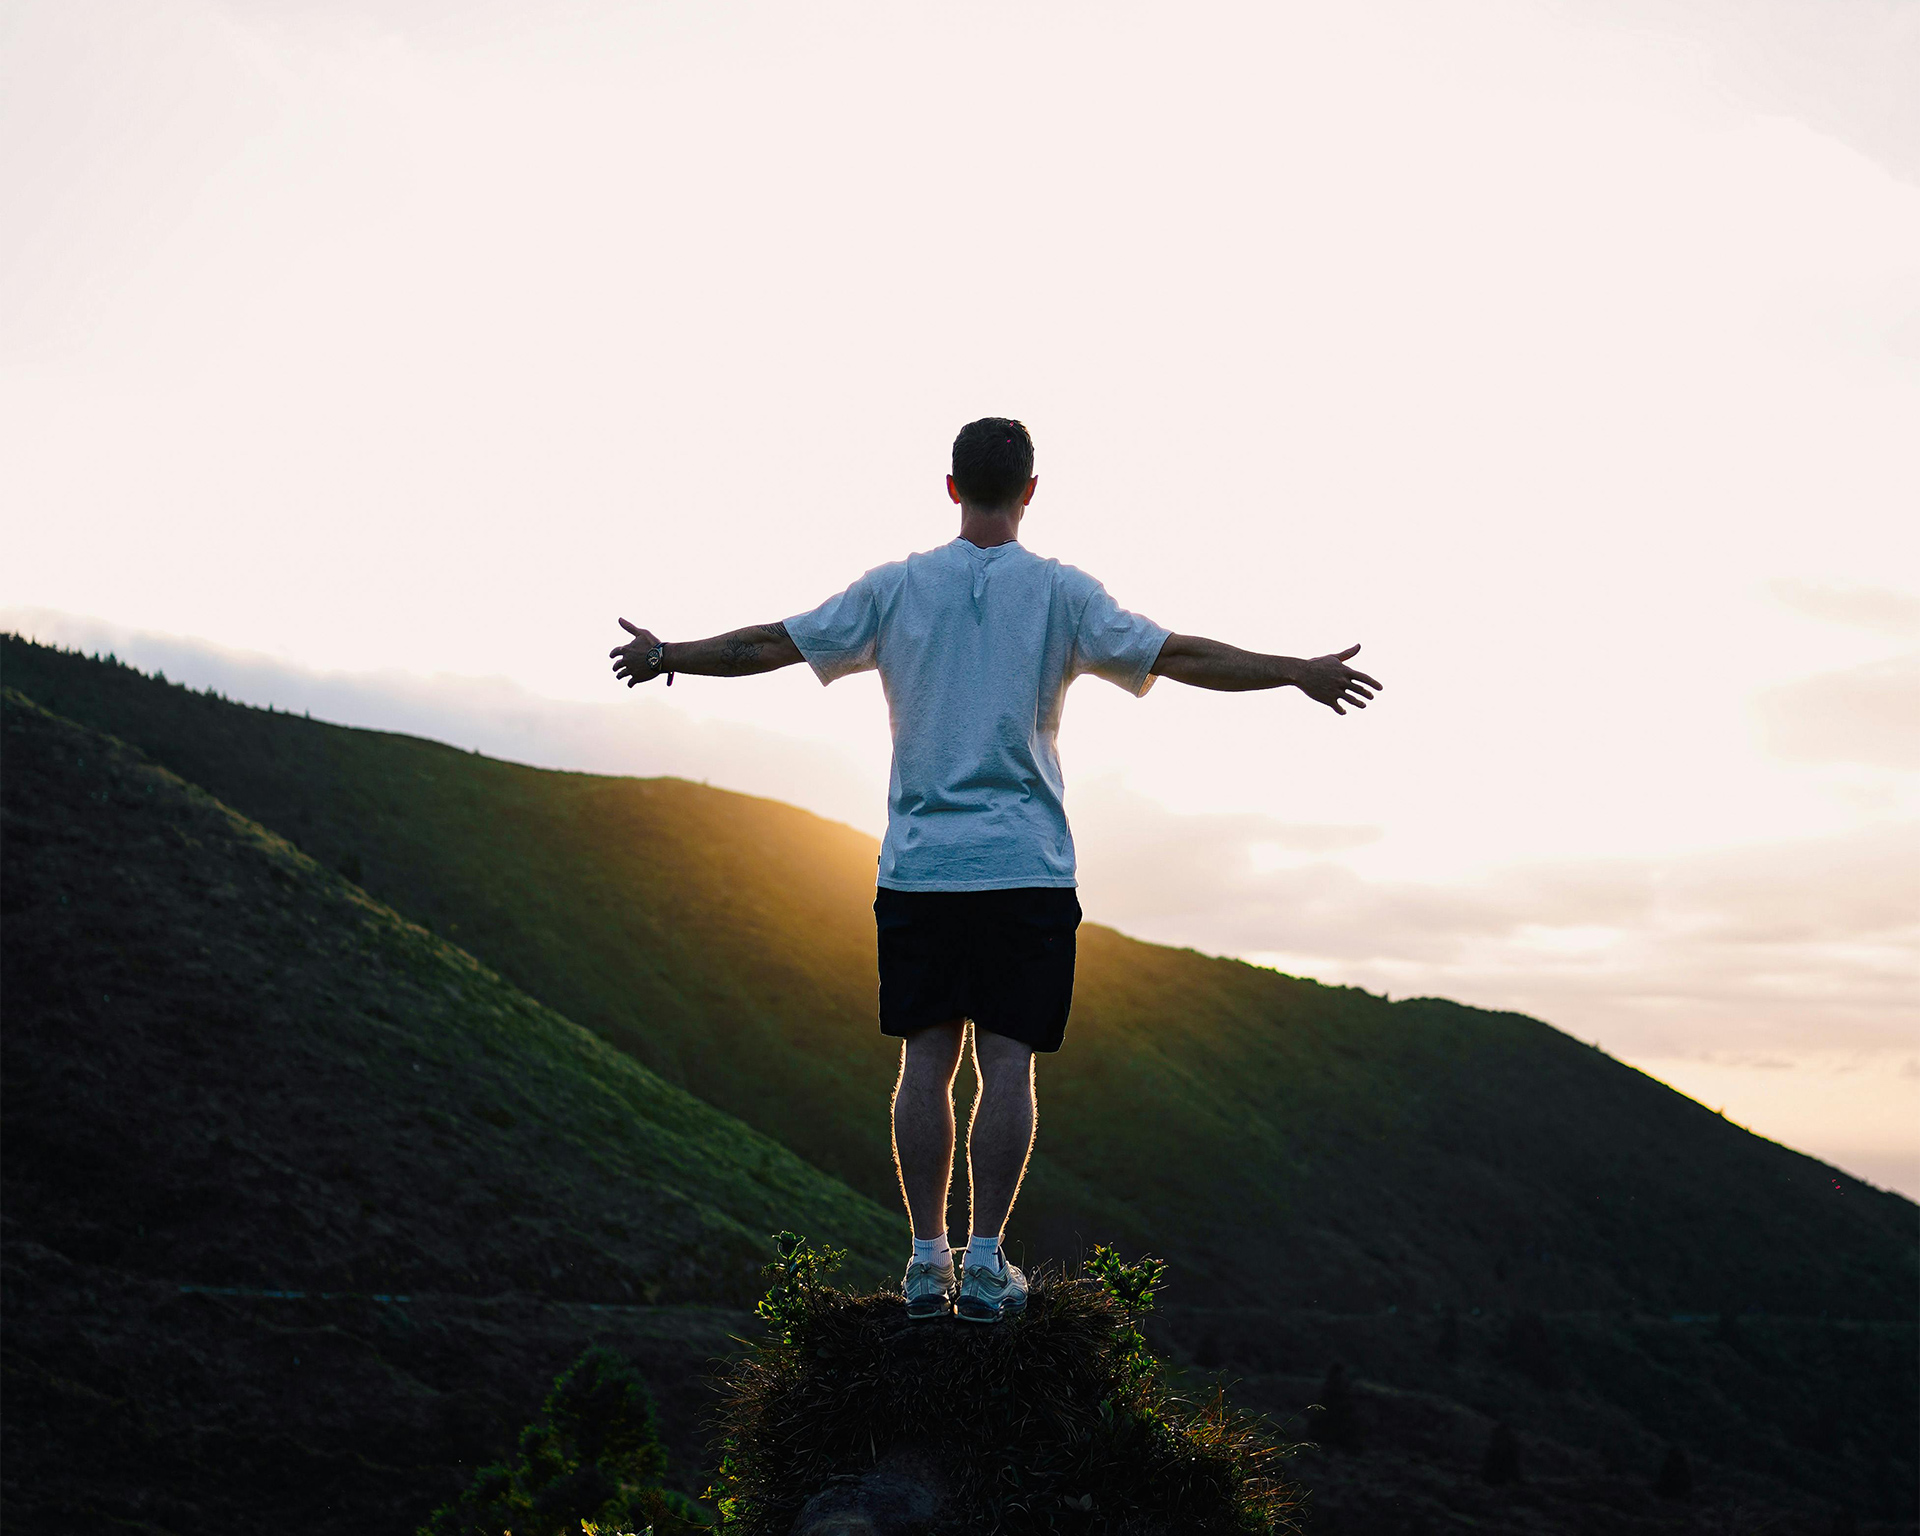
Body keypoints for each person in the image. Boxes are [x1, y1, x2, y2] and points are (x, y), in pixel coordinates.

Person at [610, 417, 1381, 1324]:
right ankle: (985, 1269)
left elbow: (770, 643)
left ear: (948, 487)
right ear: (1030, 490)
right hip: (1026, 870)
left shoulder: (895, 590)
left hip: (922, 868)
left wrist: (669, 656)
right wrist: (1295, 670)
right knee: (1008, 1064)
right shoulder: (1061, 594)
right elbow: (1181, 657)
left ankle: (923, 1266)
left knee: (924, 1062)